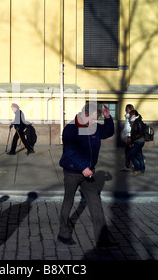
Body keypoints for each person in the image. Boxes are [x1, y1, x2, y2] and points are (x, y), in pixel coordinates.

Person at [58, 102, 116, 248]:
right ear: (85, 114)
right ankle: (63, 234)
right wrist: (82, 167)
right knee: (68, 201)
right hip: (72, 172)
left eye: (96, 119)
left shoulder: (93, 126)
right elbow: (70, 151)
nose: (94, 122)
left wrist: (108, 118)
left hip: (88, 173)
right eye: (93, 118)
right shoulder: (71, 129)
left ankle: (102, 239)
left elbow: (107, 133)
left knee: (95, 203)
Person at [128, 110, 146, 177]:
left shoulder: (138, 122)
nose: (130, 117)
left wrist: (133, 139)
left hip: (139, 141)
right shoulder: (135, 122)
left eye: (131, 115)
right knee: (139, 156)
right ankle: (142, 171)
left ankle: (137, 170)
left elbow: (141, 133)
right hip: (137, 141)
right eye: (129, 115)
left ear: (134, 115)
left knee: (131, 155)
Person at [120, 104, 134, 172]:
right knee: (128, 151)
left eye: (126, 109)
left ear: (129, 109)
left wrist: (129, 137)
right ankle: (128, 166)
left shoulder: (130, 117)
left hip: (130, 137)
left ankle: (130, 166)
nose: (125, 110)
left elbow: (130, 128)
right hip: (129, 136)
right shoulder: (128, 117)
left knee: (128, 152)